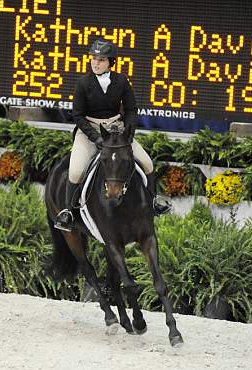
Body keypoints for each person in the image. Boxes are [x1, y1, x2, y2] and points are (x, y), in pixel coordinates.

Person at [54, 38, 171, 232]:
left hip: (117, 129)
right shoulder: (83, 83)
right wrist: (96, 137)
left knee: (147, 163)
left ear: (110, 62)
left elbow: (132, 110)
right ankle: (68, 213)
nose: (95, 63)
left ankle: (154, 203)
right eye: (93, 59)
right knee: (75, 171)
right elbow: (78, 115)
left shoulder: (121, 81)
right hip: (89, 130)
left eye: (101, 60)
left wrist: (127, 132)